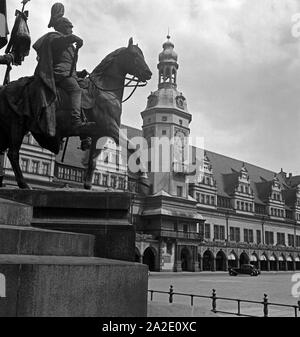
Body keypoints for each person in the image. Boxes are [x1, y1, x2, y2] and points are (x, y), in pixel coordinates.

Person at [33, 3, 95, 136]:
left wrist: (79, 73)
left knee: (86, 90)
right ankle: (75, 121)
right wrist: (73, 38)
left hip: (68, 74)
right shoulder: (54, 37)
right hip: (58, 74)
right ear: (63, 27)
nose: (71, 31)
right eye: (69, 28)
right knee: (76, 90)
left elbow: (69, 66)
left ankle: (84, 135)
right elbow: (59, 45)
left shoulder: (69, 46)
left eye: (72, 29)